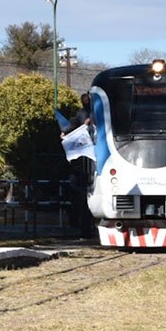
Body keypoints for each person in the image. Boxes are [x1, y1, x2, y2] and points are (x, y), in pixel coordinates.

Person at [62, 93, 94, 237]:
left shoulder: (96, 114)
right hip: (83, 162)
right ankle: (83, 226)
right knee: (79, 197)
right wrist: (65, 132)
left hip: (93, 159)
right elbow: (72, 125)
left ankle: (87, 227)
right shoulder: (81, 115)